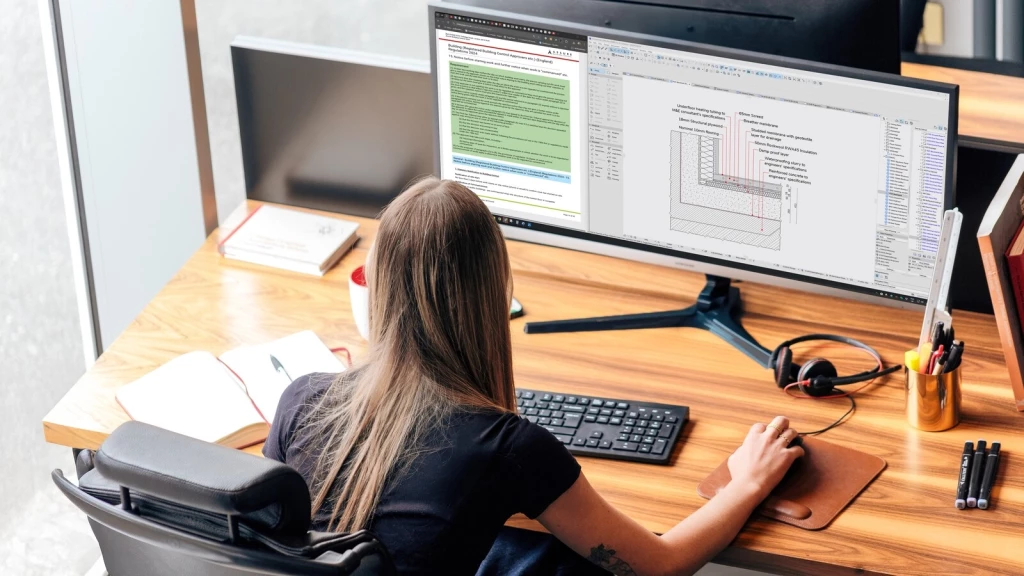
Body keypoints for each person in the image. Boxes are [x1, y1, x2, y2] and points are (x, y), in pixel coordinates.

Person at [264, 177, 804, 576]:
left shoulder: (300, 399)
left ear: (379, 287)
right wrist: (747, 483)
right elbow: (656, 565)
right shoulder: (508, 448)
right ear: (493, 294)